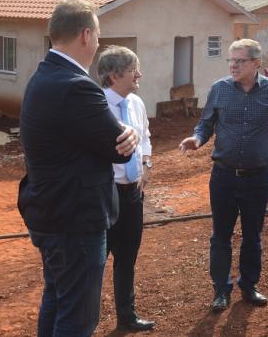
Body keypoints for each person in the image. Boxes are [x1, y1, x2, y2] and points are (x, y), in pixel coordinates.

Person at [18, 0, 140, 337]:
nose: (98, 43)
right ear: (86, 35)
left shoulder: (44, 76)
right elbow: (118, 149)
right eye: (98, 35)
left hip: (51, 211)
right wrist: (128, 134)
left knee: (57, 299)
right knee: (78, 318)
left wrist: (120, 133)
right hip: (74, 220)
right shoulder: (77, 86)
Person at [179, 39, 268, 312]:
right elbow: (206, 124)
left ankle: (249, 285)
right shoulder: (219, 89)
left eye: (239, 61)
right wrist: (197, 139)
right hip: (224, 176)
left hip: (258, 178)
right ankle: (220, 289)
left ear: (256, 63)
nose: (233, 66)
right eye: (231, 60)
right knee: (220, 235)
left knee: (252, 235)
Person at [97, 46, 155, 332]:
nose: (139, 75)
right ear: (115, 75)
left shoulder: (136, 103)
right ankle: (84, 322)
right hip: (105, 195)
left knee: (127, 257)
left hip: (132, 193)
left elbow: (144, 137)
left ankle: (127, 317)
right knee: (95, 261)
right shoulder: (96, 107)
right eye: (134, 70)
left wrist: (146, 164)